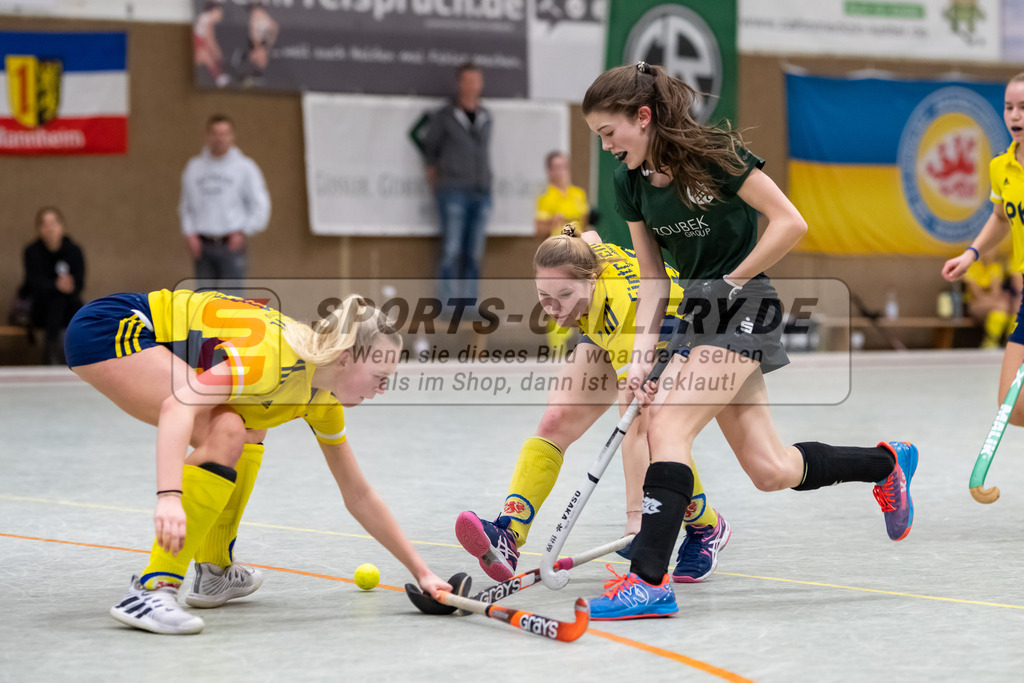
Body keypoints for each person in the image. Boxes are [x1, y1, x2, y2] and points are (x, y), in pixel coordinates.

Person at [579, 62, 918, 620]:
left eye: (609, 132)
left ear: (642, 117)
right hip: (698, 313)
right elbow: (654, 280)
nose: (606, 146)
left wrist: (729, 282)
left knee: (666, 425)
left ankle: (649, 581)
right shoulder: (629, 182)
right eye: (598, 136)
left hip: (746, 305)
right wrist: (640, 360)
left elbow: (790, 222)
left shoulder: (717, 154)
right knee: (770, 469)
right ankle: (886, 464)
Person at [64, 291, 450, 635]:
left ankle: (215, 573)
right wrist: (169, 497)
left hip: (151, 337)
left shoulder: (321, 398)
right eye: (380, 376)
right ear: (346, 358)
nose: (383, 388)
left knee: (250, 427)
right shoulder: (272, 360)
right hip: (115, 326)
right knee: (228, 429)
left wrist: (422, 572)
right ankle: (151, 590)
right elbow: (177, 406)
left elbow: (358, 494)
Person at [456, 226, 731, 585]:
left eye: (564, 295)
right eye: (544, 295)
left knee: (653, 428)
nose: (553, 308)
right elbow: (591, 237)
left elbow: (634, 426)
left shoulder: (623, 311)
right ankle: (509, 532)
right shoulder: (577, 257)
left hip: (673, 323)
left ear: (592, 280)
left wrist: (637, 521)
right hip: (603, 318)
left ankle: (706, 526)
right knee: (556, 420)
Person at [944, 72, 1024, 416]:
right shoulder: (1000, 166)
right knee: (1012, 408)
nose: (1015, 116)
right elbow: (1000, 218)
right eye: (1009, 107)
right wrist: (971, 254)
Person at [420, 62, 493, 311]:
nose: (472, 86)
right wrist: (437, 182)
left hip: (481, 191)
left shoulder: (486, 116)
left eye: (476, 81)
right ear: (460, 83)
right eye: (468, 80)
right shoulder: (445, 116)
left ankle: (470, 305)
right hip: (452, 190)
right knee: (451, 250)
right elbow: (430, 151)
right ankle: (448, 305)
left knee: (474, 252)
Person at [179, 114, 271, 289]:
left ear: (232, 136)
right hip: (203, 246)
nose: (219, 138)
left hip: (230, 246)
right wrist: (190, 233)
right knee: (204, 300)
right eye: (215, 133)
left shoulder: (245, 168)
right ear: (207, 136)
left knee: (231, 300)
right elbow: (186, 205)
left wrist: (244, 230)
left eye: (224, 133)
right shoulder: (194, 168)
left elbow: (260, 204)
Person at [535, 151, 591, 355]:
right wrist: (553, 221)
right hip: (557, 257)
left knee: (582, 298)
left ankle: (583, 346)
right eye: (556, 167)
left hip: (577, 256)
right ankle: (557, 350)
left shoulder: (578, 194)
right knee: (557, 301)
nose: (561, 172)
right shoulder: (545, 198)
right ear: (549, 171)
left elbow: (583, 224)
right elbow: (539, 230)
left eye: (563, 166)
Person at [19, 206, 85, 364]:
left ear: (62, 226)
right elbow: (32, 284)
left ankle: (82, 353)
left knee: (79, 308)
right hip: (41, 309)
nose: (50, 228)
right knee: (56, 300)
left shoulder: (74, 251)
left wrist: (69, 286)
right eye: (45, 224)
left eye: (54, 223)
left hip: (69, 306)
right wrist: (55, 285)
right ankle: (53, 353)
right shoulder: (32, 251)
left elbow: (79, 283)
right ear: (39, 229)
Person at [961, 247, 1017, 348]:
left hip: (992, 304)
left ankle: (993, 341)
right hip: (973, 305)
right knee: (1003, 305)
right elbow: (977, 295)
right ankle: (1000, 341)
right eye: (989, 249)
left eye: (993, 250)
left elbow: (996, 292)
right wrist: (991, 297)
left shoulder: (995, 267)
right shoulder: (971, 266)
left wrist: (989, 295)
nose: (991, 253)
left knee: (1003, 309)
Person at [193, 1, 229, 88]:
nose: (221, 14)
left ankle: (220, 74)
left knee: (213, 54)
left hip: (201, 43)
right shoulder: (208, 20)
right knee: (208, 55)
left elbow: (210, 40)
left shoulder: (207, 18)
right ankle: (218, 76)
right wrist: (217, 54)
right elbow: (210, 41)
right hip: (198, 44)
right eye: (220, 11)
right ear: (214, 10)